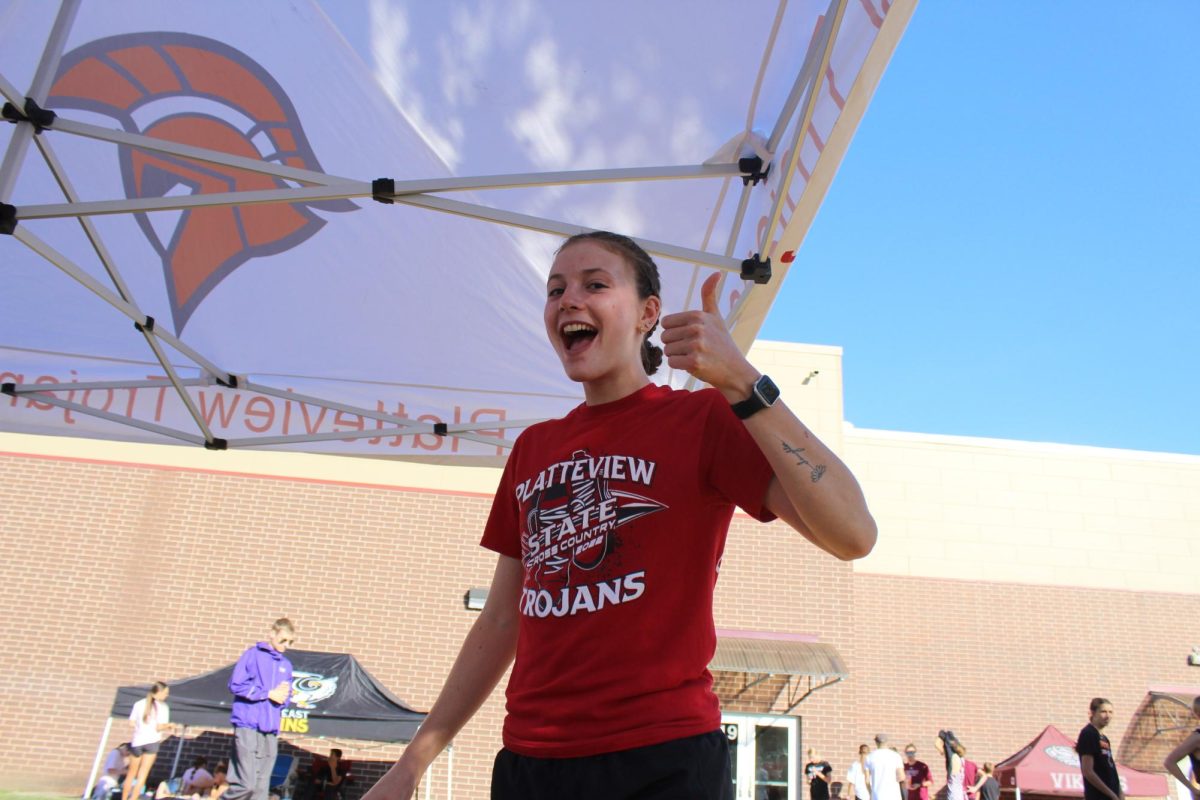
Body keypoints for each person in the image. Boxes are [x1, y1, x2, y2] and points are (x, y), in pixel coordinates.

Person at [360, 231, 877, 800]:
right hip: (531, 764)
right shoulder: (534, 448)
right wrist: (412, 764)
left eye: (595, 284)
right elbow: (501, 620)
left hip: (662, 759)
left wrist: (742, 381)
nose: (568, 300)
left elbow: (853, 533)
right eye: (555, 290)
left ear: (647, 313)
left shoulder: (702, 419)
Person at [226, 618, 296, 800]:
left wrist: (284, 697)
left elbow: (284, 696)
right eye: (283, 640)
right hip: (248, 723)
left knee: (260, 789)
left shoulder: (286, 665)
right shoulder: (253, 655)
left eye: (290, 642)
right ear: (272, 634)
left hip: (270, 728)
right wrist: (267, 693)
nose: (286, 646)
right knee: (246, 784)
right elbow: (236, 684)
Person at [124, 682, 172, 800]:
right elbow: (159, 727)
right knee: (142, 775)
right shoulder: (163, 707)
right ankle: (134, 798)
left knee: (131, 774)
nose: (166, 696)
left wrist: (141, 727)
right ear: (159, 692)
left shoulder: (139, 704)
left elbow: (131, 722)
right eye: (165, 693)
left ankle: (124, 798)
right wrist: (170, 725)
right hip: (152, 741)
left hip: (137, 741)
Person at [1077, 698, 1123, 800]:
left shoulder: (1104, 739)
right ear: (1093, 713)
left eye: (1110, 712)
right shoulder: (1088, 734)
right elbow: (1087, 770)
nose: (1107, 716)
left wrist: (1120, 792)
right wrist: (1111, 794)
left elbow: (1111, 769)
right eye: (1103, 712)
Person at [865, 734, 905, 800]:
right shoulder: (896, 756)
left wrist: (870, 794)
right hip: (894, 796)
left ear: (876, 742)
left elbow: (867, 781)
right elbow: (901, 777)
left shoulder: (869, 757)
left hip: (876, 796)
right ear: (887, 742)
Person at [936, 731, 965, 800]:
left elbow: (936, 744)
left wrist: (940, 736)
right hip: (959, 795)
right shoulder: (961, 759)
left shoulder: (953, 758)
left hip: (954, 796)